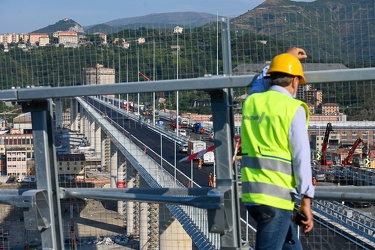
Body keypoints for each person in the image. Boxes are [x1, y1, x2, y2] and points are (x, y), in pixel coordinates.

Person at [241, 53, 315, 249]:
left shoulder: (252, 102)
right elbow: (301, 156)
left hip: (252, 197)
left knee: (292, 247)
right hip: (276, 198)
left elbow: (260, 80)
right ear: (295, 81)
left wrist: (284, 59)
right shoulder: (292, 108)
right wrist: (306, 200)